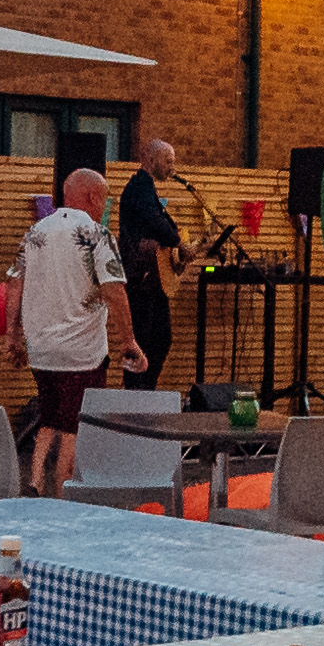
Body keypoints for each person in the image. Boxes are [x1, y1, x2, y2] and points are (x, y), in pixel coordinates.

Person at [13, 166, 131, 489]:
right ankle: (63, 490)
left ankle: (34, 484)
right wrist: (129, 340)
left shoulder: (35, 233)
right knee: (74, 427)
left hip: (41, 350)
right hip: (82, 352)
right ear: (93, 197)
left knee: (49, 419)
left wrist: (12, 337)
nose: (104, 209)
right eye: (104, 201)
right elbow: (113, 291)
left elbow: (14, 285)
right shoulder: (98, 235)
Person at [118, 135, 197, 388]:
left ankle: (145, 389)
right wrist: (179, 242)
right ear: (150, 159)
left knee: (160, 338)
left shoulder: (147, 188)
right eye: (168, 160)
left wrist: (176, 247)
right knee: (145, 338)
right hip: (142, 279)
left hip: (153, 279)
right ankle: (137, 393)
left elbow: (157, 224)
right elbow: (153, 221)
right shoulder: (140, 186)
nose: (172, 166)